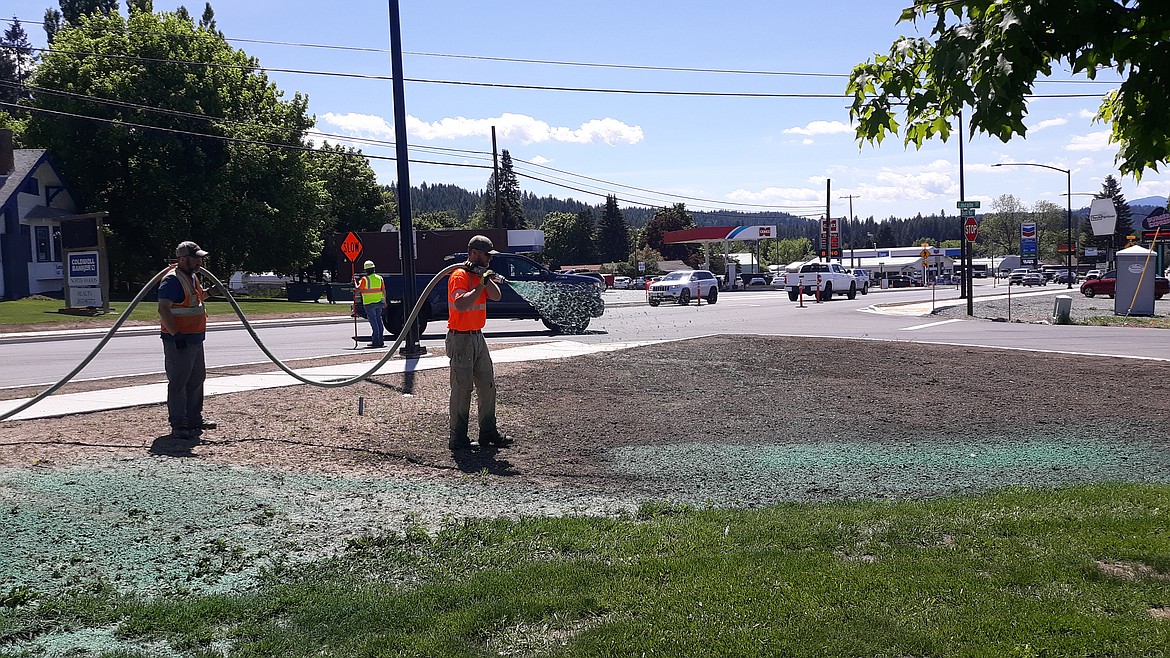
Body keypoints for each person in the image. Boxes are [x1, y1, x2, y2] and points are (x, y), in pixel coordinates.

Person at [446, 235, 514, 451]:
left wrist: (485, 279)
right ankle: (457, 438)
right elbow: (461, 305)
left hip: (477, 337)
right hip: (460, 338)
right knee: (462, 388)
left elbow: (496, 295)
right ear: (474, 253)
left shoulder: (479, 275)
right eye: (487, 256)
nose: (490, 260)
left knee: (487, 385)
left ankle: (488, 432)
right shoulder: (459, 276)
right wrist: (479, 284)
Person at [158, 241, 215, 439]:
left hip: (195, 338)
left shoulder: (191, 277)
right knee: (179, 381)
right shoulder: (172, 280)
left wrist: (212, 293)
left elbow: (195, 300)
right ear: (183, 259)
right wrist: (176, 334)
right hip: (179, 340)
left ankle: (194, 419)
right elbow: (163, 309)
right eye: (196, 257)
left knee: (197, 378)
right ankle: (179, 423)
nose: (200, 261)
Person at [355, 260, 385, 348]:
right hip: (379, 302)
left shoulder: (365, 279)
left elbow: (358, 290)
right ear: (374, 269)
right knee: (379, 321)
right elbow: (383, 290)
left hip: (369, 303)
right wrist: (385, 301)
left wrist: (355, 283)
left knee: (374, 322)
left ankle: (376, 341)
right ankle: (381, 340)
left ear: (366, 270)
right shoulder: (379, 278)